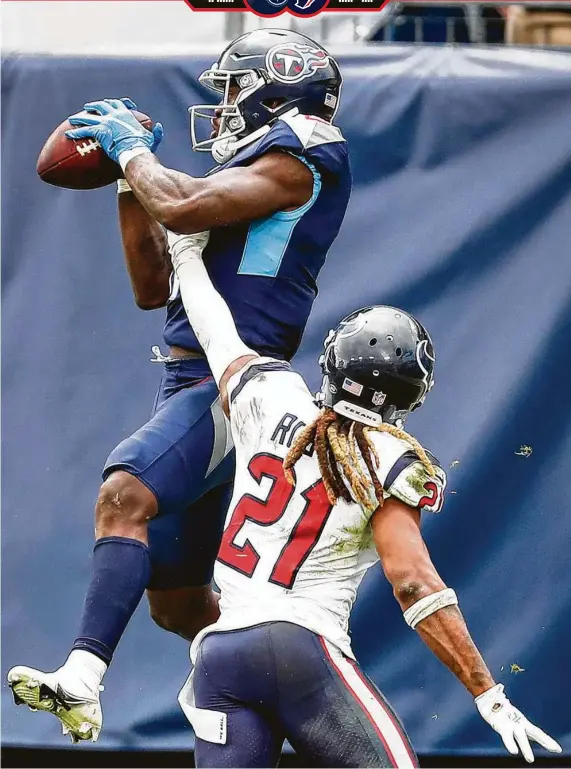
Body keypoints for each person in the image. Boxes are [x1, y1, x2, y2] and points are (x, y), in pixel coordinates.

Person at [7, 29, 351, 743]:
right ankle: (297, 683)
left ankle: (82, 677)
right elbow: (149, 285)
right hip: (186, 376)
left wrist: (134, 152)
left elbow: (186, 205)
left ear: (277, 84)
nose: (223, 105)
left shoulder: (304, 152)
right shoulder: (246, 168)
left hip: (237, 379)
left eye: (232, 88)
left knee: (122, 492)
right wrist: (127, 180)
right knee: (176, 604)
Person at [168, 233, 559, 767]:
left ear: (332, 361)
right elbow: (413, 582)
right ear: (411, 393)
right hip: (301, 646)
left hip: (221, 653)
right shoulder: (386, 458)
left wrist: (184, 251)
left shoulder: (273, 393)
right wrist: (487, 693)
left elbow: (216, 332)